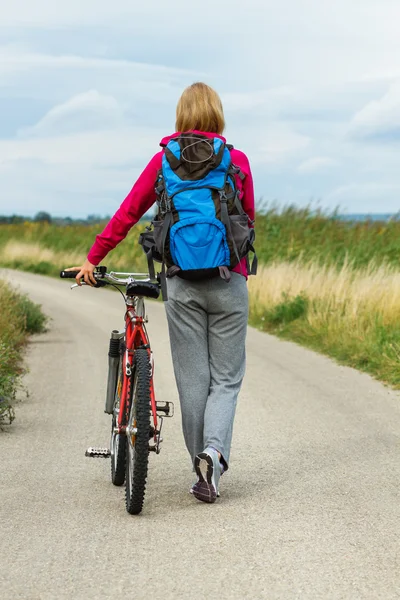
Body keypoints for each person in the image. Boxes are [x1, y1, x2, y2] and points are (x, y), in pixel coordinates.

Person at [66, 82, 255, 504]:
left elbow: (128, 212)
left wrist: (94, 258)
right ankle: (215, 453)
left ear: (181, 115)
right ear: (217, 115)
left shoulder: (162, 162)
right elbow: (249, 222)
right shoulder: (236, 160)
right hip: (229, 281)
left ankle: (199, 464)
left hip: (181, 284)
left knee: (192, 379)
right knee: (226, 380)